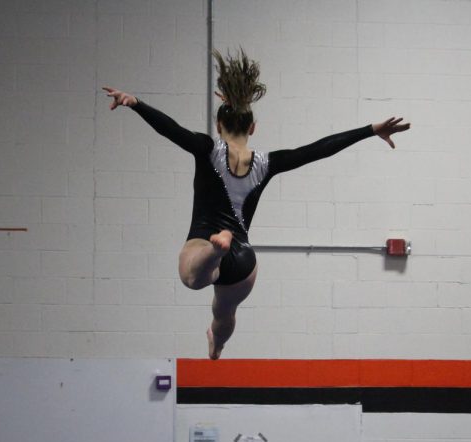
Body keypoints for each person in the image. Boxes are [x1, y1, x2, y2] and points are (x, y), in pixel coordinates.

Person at [104, 48, 410, 359]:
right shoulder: (268, 163)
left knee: (192, 277)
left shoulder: (208, 148)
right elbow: (318, 149)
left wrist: (137, 104)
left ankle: (214, 251)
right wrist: (370, 130)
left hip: (205, 239)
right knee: (224, 315)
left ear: (218, 126)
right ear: (252, 128)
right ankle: (217, 343)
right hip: (244, 259)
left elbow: (171, 130)